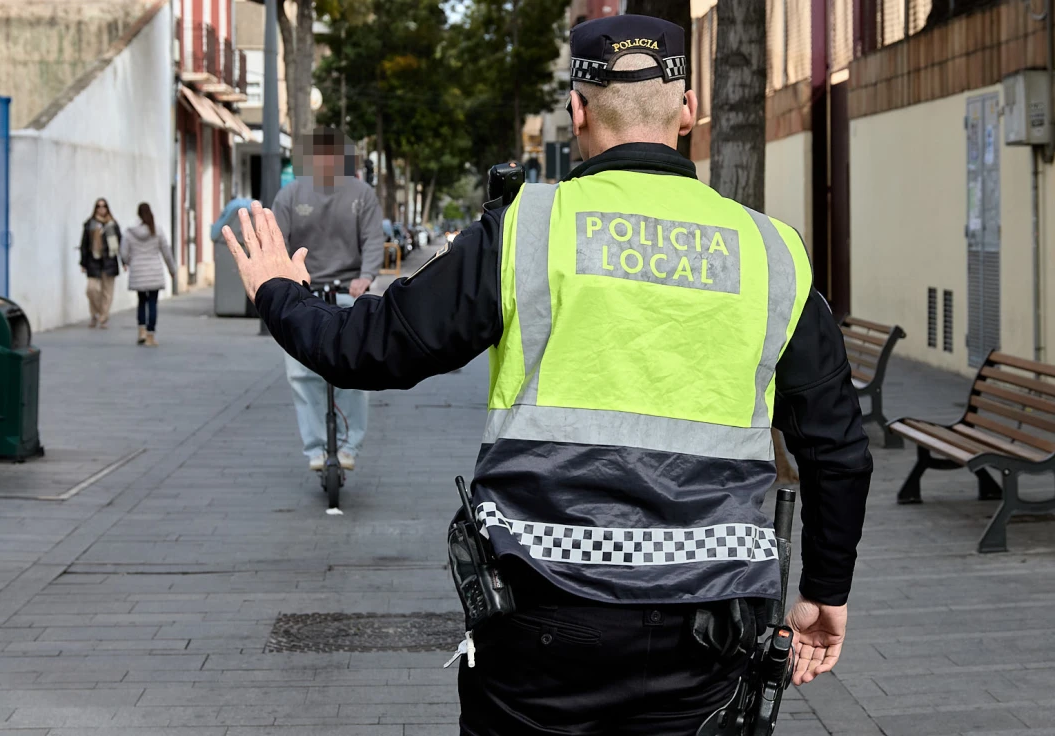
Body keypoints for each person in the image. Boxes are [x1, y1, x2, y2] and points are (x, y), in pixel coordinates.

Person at [223, 15, 872, 736]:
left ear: (579, 109)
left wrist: (279, 291)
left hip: (541, 621)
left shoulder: (527, 230)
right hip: (707, 629)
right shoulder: (770, 252)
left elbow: (369, 349)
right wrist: (826, 590)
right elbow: (838, 447)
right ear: (689, 110)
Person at [271, 128, 385, 472]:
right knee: (301, 375)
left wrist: (365, 277)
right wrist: (287, 281)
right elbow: (277, 242)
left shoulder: (362, 194)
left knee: (354, 373)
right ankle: (316, 449)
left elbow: (373, 239)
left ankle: (350, 446)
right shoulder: (290, 195)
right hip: (303, 293)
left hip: (348, 291)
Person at [121, 203, 177, 347]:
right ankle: (150, 336)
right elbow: (167, 252)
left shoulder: (130, 232)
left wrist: (127, 261)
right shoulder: (157, 231)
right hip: (154, 271)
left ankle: (141, 331)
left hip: (138, 272)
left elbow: (123, 253)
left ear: (138, 214)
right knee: (152, 303)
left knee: (141, 302)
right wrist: (172, 270)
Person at [79, 197, 122, 328]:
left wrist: (124, 261)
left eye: (104, 206)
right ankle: (97, 313)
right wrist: (83, 262)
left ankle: (102, 318)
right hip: (94, 261)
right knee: (92, 290)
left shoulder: (113, 224)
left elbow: (120, 243)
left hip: (109, 261)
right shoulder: (90, 224)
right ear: (95, 208)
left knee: (107, 293)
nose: (101, 208)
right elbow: (84, 244)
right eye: (99, 206)